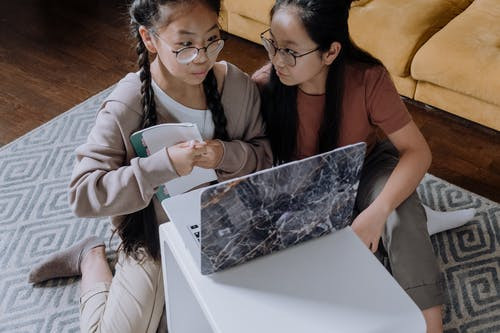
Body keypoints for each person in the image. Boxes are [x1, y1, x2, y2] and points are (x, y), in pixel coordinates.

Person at [28, 0, 272, 332]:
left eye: (212, 40)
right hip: (154, 238)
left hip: (224, 227)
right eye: (185, 45)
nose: (201, 57)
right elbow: (83, 194)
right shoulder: (126, 103)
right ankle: (91, 256)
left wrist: (223, 155)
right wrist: (163, 165)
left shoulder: (237, 86)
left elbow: (265, 157)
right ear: (149, 38)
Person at [252, 1, 463, 331]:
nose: (277, 60)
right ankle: (407, 230)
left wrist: (379, 210)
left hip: (364, 169)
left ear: (331, 52)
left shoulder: (367, 79)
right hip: (306, 189)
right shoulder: (264, 85)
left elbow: (417, 152)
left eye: (290, 51)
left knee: (399, 209)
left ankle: (430, 325)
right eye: (273, 45)